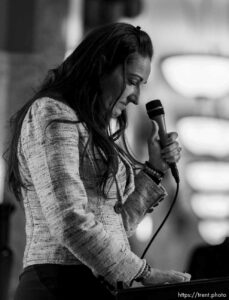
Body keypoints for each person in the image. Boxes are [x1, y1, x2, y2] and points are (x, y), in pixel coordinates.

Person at [5, 22, 191, 300]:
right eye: (132, 81)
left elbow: (112, 227)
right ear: (101, 66)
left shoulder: (93, 128)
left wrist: (153, 170)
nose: (136, 98)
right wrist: (143, 272)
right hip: (57, 285)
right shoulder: (51, 114)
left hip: (91, 285)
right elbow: (69, 220)